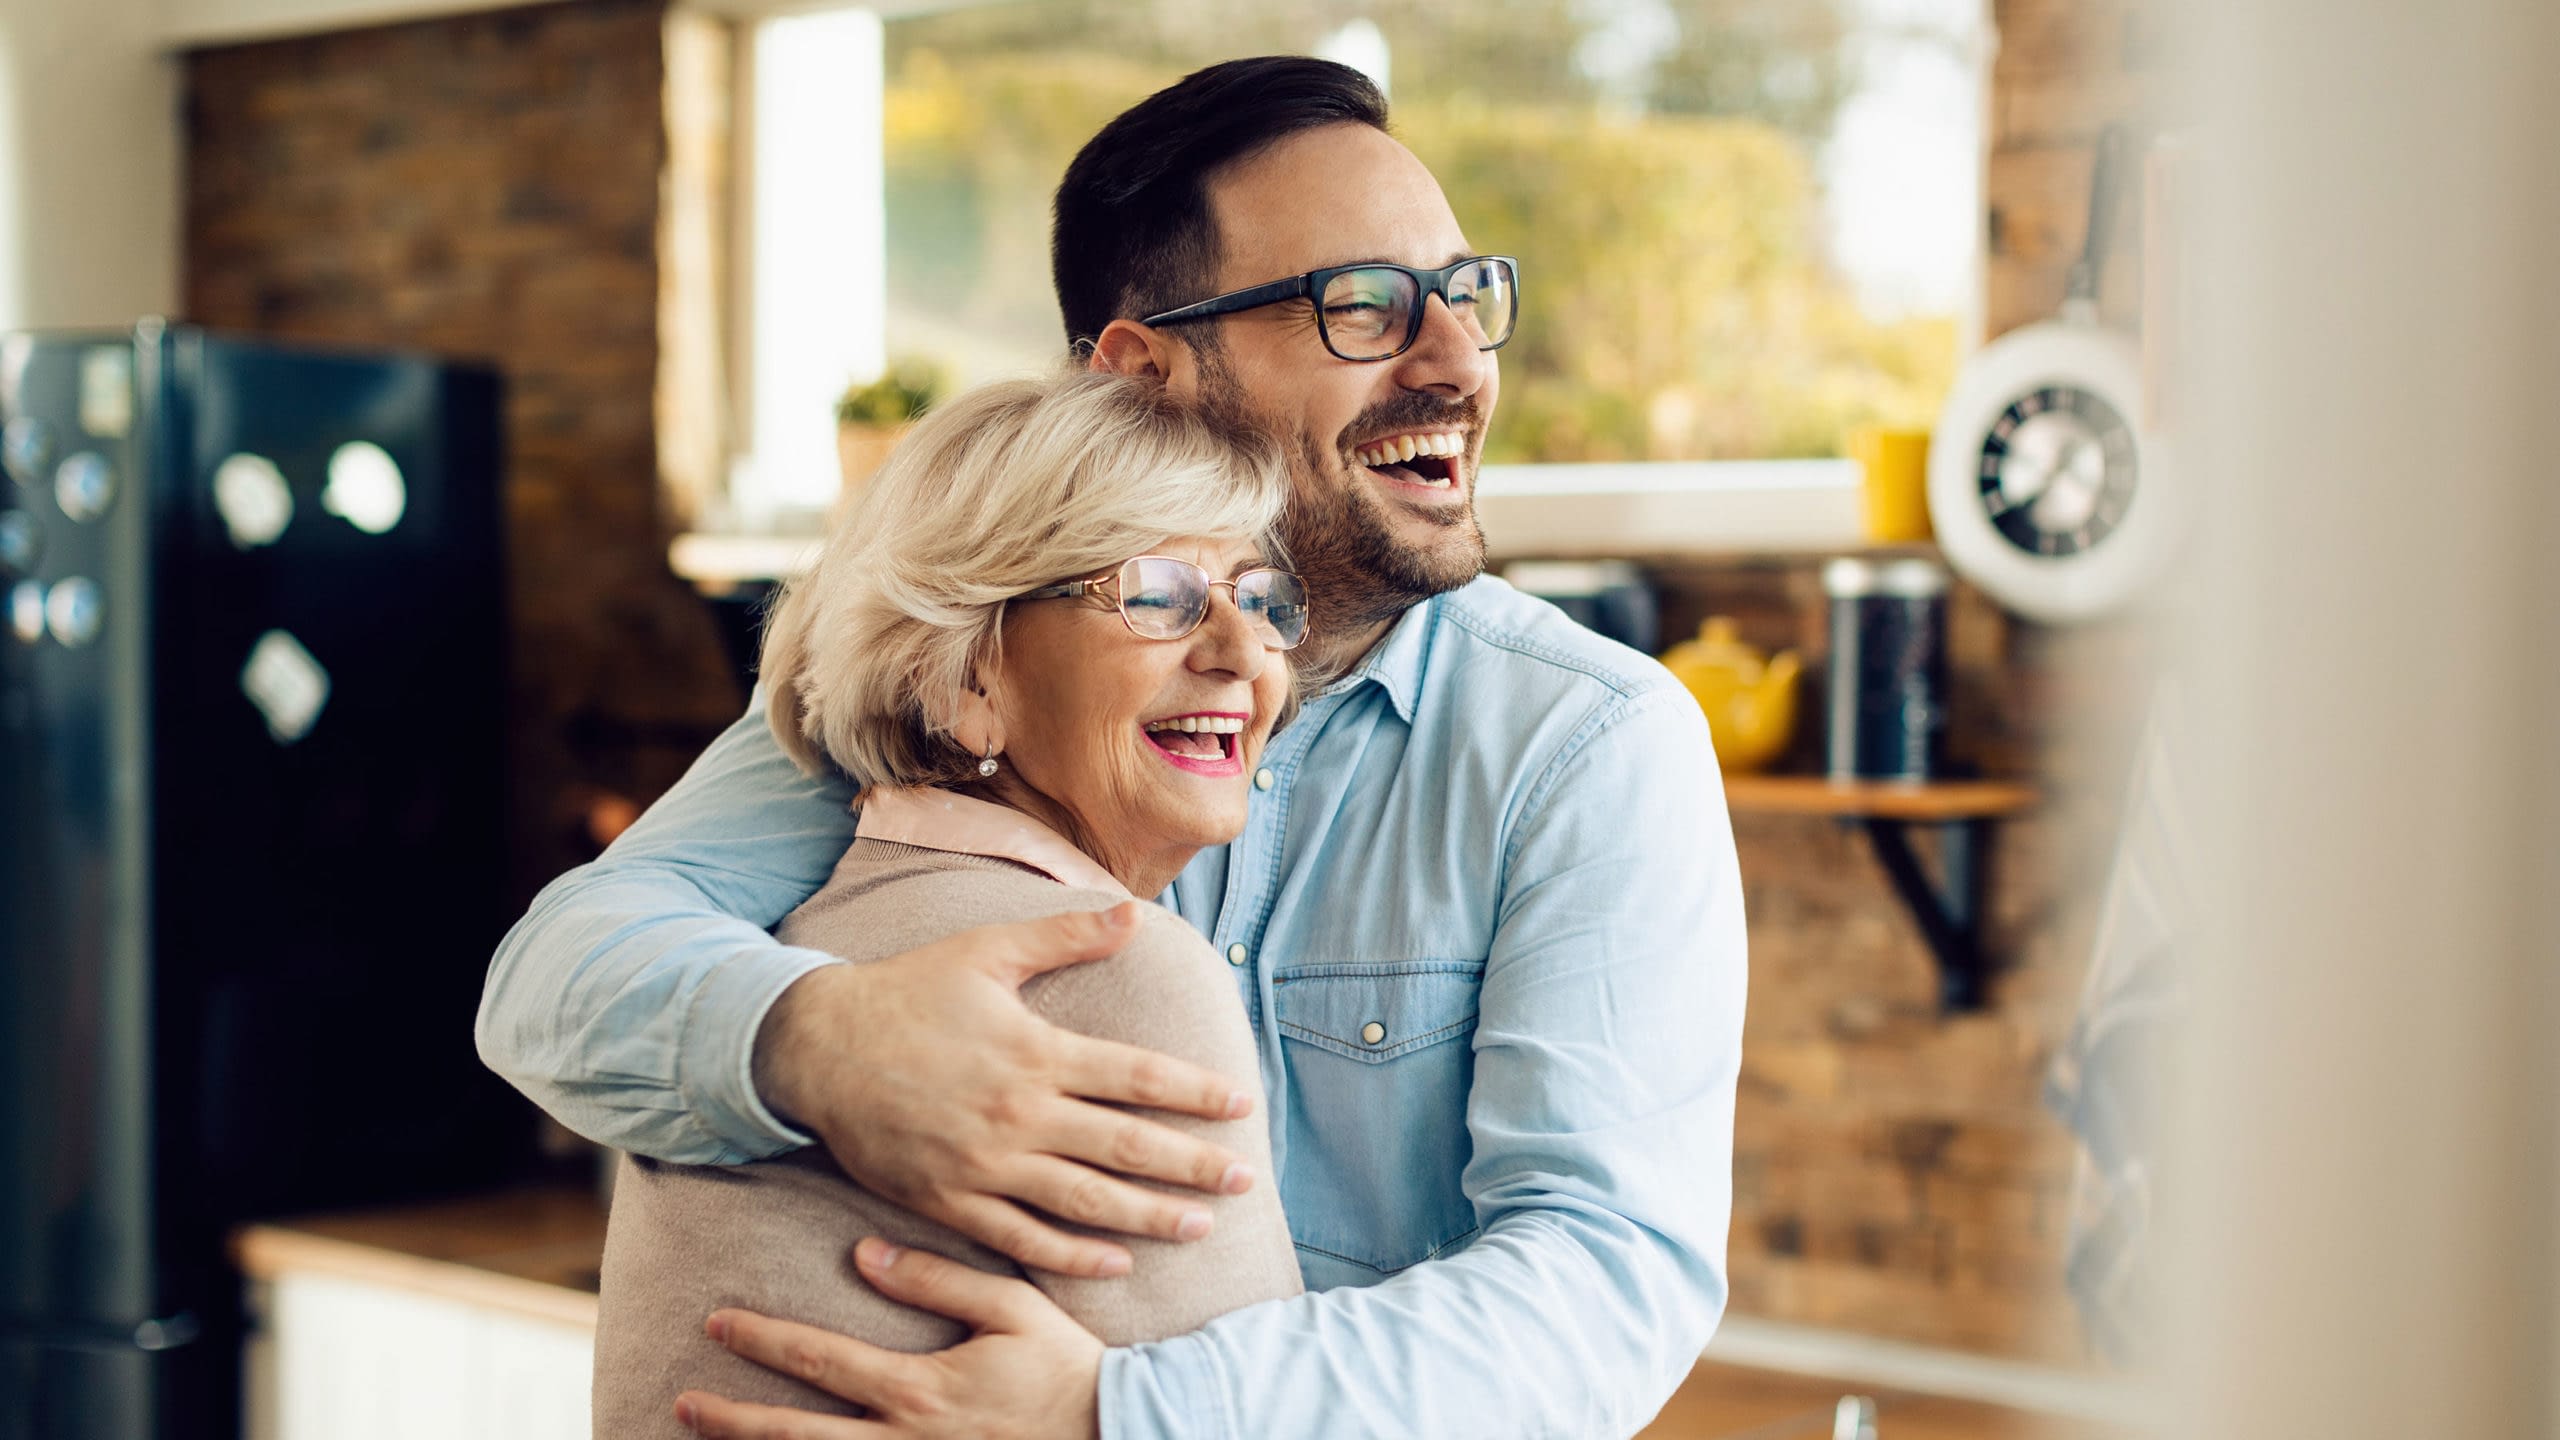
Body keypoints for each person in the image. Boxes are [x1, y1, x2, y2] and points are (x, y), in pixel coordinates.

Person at [478, 56, 1747, 1439]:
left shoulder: (1586, 745)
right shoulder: (976, 672)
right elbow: (553, 978)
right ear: (1142, 374)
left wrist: (1118, 1412)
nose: (1454, 364)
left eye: (1464, 296)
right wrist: (818, 1040)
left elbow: (1605, 1282)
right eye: (1363, 309)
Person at [591, 370, 1309, 1436]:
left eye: (1259, 598)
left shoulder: (775, 945)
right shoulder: (1115, 974)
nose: (1243, 653)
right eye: (1155, 593)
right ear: (965, 679)